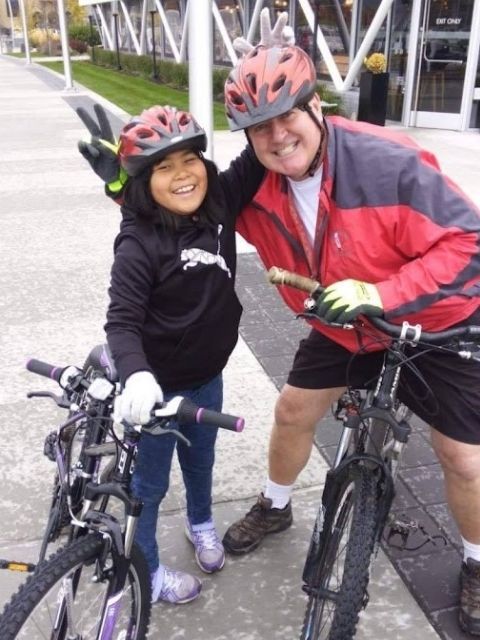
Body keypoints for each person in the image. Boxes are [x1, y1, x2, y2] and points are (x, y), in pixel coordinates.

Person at [220, 19, 480, 637]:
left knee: (463, 458)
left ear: (317, 105)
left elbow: (468, 242)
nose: (278, 137)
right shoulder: (256, 180)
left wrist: (383, 292)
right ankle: (274, 505)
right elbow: (182, 198)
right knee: (291, 411)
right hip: (344, 326)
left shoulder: (387, 162)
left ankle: (475, 562)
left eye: (288, 116)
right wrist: (132, 184)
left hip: (430, 322)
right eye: (260, 127)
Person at [95, 104, 264, 605]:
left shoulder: (220, 203)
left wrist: (264, 96)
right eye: (164, 167)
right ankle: (144, 571)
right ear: (144, 183)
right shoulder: (138, 243)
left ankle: (201, 524)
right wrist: (138, 375)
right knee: (147, 485)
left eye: (190, 159)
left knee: (200, 460)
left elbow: (258, 155)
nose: (183, 174)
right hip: (157, 393)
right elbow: (121, 322)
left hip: (207, 376)